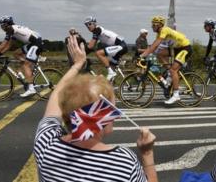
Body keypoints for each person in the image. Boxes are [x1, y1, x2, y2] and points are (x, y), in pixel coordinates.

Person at [34, 35, 158, 182]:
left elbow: (57, 96)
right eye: (112, 109)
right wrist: (147, 153)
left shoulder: (45, 144)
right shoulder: (123, 163)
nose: (117, 116)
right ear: (96, 117)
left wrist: (77, 65)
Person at [141, 16, 192, 104]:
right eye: (152, 25)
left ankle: (176, 95)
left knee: (173, 70)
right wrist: (147, 54)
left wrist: (142, 56)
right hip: (176, 49)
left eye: (154, 25)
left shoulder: (164, 30)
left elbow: (154, 46)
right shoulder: (159, 33)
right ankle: (169, 70)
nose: (152, 26)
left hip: (185, 47)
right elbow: (154, 47)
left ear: (160, 25)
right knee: (159, 53)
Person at [0, 16, 43, 97]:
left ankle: (31, 89)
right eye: (1, 25)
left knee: (26, 65)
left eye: (2, 25)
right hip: (33, 43)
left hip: (36, 43)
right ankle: (24, 70)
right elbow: (8, 46)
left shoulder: (11, 29)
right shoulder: (14, 30)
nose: (1, 27)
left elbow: (4, 44)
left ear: (7, 24)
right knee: (16, 53)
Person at [85, 16, 128, 80]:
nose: (88, 26)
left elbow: (90, 46)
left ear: (94, 23)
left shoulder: (97, 30)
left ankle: (111, 73)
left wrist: (81, 53)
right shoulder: (97, 31)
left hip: (121, 46)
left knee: (99, 53)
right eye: (86, 25)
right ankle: (110, 85)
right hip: (119, 46)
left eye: (89, 24)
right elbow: (93, 47)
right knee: (111, 70)